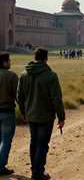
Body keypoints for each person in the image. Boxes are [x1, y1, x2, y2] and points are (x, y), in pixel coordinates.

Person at [17, 48, 65, 180]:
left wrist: (24, 112)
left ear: (35, 57)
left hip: (31, 115)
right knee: (42, 145)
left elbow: (19, 97)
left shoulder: (23, 74)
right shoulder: (51, 75)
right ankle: (37, 173)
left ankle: (35, 170)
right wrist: (61, 117)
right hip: (46, 116)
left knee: (34, 143)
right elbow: (56, 99)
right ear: (46, 58)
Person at [0, 52, 18, 176]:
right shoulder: (12, 76)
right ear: (4, 62)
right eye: (9, 60)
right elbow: (18, 95)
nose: (10, 63)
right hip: (7, 111)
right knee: (6, 140)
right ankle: (1, 166)